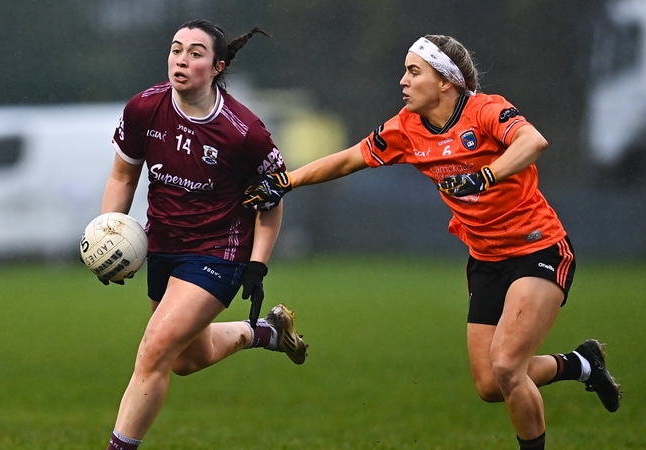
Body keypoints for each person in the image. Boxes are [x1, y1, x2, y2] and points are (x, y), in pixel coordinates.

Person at [244, 35, 621, 449]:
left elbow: (534, 142)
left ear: (446, 82)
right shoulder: (406, 127)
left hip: (538, 248)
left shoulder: (484, 109)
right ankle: (583, 363)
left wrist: (486, 175)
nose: (403, 80)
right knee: (490, 384)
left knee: (508, 368)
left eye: (414, 71)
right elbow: (351, 158)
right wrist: (288, 181)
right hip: (486, 259)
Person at [98, 19, 308, 450]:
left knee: (154, 350)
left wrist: (257, 264)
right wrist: (108, 235)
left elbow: (272, 200)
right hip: (163, 246)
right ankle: (264, 333)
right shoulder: (144, 108)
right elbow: (123, 175)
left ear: (217, 67)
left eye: (195, 53)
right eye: (177, 50)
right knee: (186, 360)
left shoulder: (244, 131)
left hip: (219, 252)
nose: (182, 60)